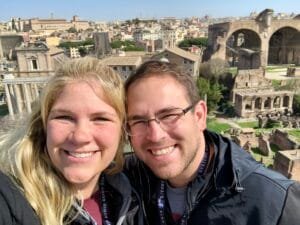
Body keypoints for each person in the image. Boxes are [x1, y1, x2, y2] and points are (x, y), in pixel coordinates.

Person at [124, 60, 300, 225]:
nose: (155, 136)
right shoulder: (126, 182)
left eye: (169, 115)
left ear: (200, 116)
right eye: (138, 121)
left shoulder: (277, 202)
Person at [0, 57, 143, 225]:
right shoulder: (8, 197)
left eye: (100, 119)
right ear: (44, 125)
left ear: (123, 130)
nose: (80, 137)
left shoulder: (131, 189)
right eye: (64, 117)